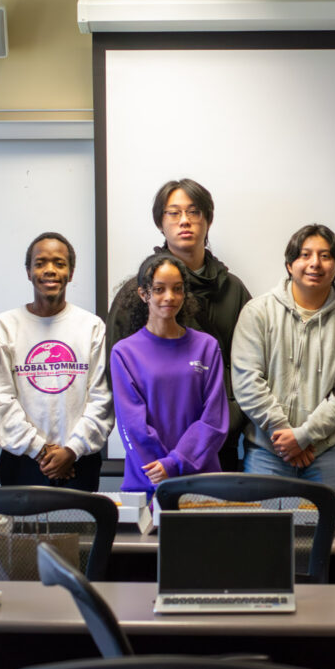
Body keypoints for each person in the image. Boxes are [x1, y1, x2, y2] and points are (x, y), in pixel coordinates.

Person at [106, 178, 250, 471]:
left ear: (208, 220)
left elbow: (251, 366)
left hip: (220, 445)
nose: (185, 220)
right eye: (174, 213)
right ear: (160, 223)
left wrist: (227, 420)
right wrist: (159, 456)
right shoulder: (133, 294)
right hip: (151, 457)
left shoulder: (233, 290)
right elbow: (118, 381)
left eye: (195, 212)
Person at [231, 224, 335, 493]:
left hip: (323, 455)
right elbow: (247, 380)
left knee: (328, 532)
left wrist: (304, 437)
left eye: (325, 256)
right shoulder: (258, 312)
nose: (314, 263)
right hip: (266, 450)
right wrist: (284, 435)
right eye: (305, 255)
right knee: (262, 531)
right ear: (289, 264)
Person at [0, 232, 114, 492]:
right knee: (22, 533)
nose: (50, 270)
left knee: (80, 533)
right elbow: (1, 400)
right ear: (28, 271)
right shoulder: (5, 326)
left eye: (59, 263)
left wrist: (72, 450)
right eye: (41, 263)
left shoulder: (92, 327)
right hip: (22, 462)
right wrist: (40, 450)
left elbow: (102, 399)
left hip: (78, 462)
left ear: (71, 272)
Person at [110, 253, 229, 496]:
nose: (169, 297)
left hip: (200, 482)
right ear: (144, 294)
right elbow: (132, 425)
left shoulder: (206, 347)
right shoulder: (124, 352)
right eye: (159, 289)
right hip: (147, 480)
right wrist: (162, 468)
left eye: (177, 289)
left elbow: (214, 420)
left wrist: (175, 463)